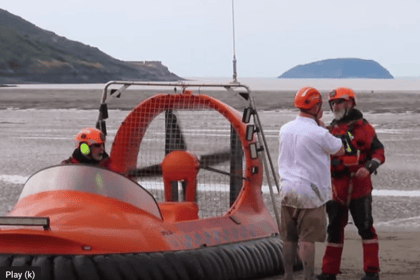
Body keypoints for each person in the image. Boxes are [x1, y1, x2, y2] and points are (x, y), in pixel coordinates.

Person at [316, 87, 385, 280]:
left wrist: (368, 168)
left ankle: (372, 272)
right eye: (333, 103)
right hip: (336, 188)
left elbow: (379, 152)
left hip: (359, 187)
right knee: (334, 228)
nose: (335, 106)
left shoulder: (364, 128)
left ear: (350, 103)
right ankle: (329, 272)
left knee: (365, 227)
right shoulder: (331, 129)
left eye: (338, 102)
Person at [278, 86, 344, 280]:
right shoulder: (319, 133)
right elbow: (338, 149)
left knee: (289, 239)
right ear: (315, 108)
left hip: (287, 189)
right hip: (311, 193)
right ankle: (308, 276)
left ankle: (288, 275)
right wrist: (321, 127)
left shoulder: (285, 129)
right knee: (308, 240)